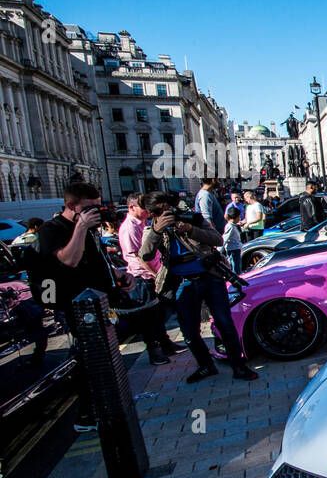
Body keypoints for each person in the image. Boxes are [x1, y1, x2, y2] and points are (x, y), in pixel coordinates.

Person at [36, 181, 139, 428]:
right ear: (71, 205)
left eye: (97, 206)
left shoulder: (91, 229)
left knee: (107, 353)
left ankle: (110, 403)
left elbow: (96, 260)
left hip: (101, 302)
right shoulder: (52, 229)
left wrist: (118, 275)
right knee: (88, 359)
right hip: (77, 307)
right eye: (89, 207)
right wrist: (80, 227)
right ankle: (87, 414)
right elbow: (69, 261)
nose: (96, 211)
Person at [138, 191, 257, 384]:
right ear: (153, 214)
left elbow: (217, 240)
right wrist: (157, 231)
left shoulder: (191, 218)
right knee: (189, 331)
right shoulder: (152, 229)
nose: (167, 212)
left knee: (224, 323)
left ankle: (239, 366)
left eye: (168, 207)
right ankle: (205, 365)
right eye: (160, 211)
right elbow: (145, 254)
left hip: (210, 276)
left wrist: (190, 229)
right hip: (182, 282)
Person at [118, 192, 184, 365]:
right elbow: (141, 256)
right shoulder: (130, 227)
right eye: (142, 207)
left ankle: (166, 344)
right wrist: (156, 275)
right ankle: (154, 351)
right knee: (148, 317)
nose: (147, 210)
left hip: (153, 273)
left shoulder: (142, 223)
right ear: (132, 207)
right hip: (143, 276)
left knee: (157, 313)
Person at [223, 206, 244, 275]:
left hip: (236, 248)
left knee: (237, 265)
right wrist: (219, 249)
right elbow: (225, 238)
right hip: (233, 249)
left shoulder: (233, 225)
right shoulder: (230, 226)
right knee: (235, 266)